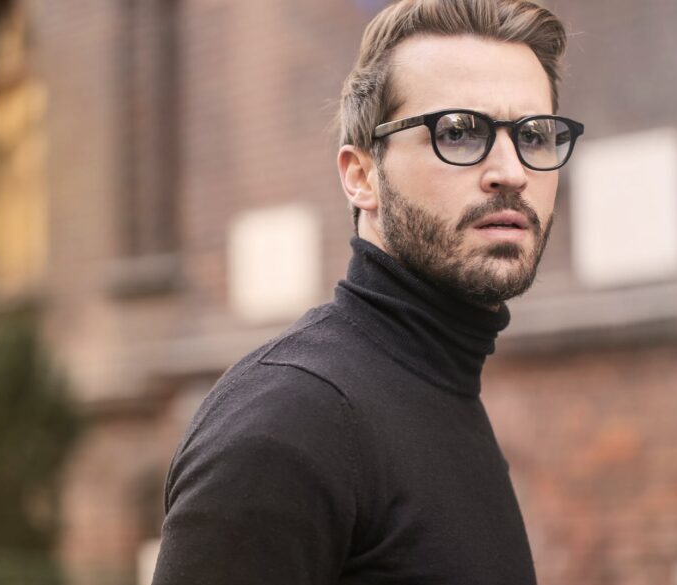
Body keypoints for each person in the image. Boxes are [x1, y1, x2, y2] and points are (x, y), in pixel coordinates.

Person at [152, 0, 584, 583]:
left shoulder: (441, 389)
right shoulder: (291, 421)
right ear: (361, 176)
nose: (510, 170)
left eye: (534, 135)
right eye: (458, 132)